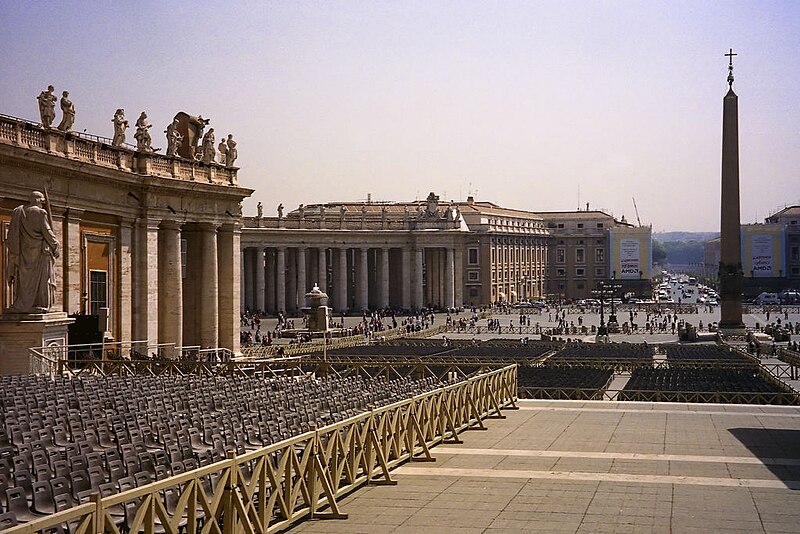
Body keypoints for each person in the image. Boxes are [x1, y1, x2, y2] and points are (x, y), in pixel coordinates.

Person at [6, 191, 60, 313]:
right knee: (42, 279)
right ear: (38, 200)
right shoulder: (40, 213)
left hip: (24, 252)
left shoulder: (19, 212)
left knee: (24, 279)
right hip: (39, 253)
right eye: (42, 201)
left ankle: (23, 303)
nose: (43, 204)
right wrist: (56, 245)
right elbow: (47, 231)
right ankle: (40, 303)